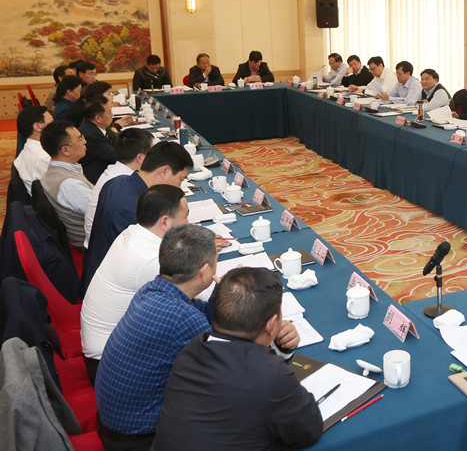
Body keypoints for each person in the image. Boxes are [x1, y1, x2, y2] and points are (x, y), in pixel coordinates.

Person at [94, 225, 300, 450]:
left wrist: (226, 297)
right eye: (216, 260)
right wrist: (278, 347)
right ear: (203, 272)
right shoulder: (182, 319)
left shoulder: (152, 290)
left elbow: (203, 315)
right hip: (139, 439)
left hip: (115, 421)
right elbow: (245, 374)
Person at [155, 268, 322, 450]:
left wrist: (281, 350)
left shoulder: (194, 347)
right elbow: (308, 429)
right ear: (271, 324)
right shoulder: (269, 374)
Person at [81, 185, 189, 382]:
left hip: (103, 349)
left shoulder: (132, 233)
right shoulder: (150, 259)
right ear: (165, 222)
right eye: (186, 217)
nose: (188, 224)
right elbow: (191, 297)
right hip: (109, 365)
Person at [84, 141, 193, 290]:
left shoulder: (117, 181)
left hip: (99, 266)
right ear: (165, 171)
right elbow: (160, 254)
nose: (180, 186)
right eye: (181, 179)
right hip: (111, 285)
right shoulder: (135, 207)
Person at [84, 128, 154, 249]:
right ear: (140, 158)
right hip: (106, 250)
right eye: (152, 154)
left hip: (101, 243)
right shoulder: (122, 184)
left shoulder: (115, 171)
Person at [39, 121, 93, 249]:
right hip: (91, 243)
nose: (84, 141)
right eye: (80, 139)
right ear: (66, 150)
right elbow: (104, 212)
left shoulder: (54, 170)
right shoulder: (69, 184)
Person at [13, 105, 52, 195]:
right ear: (38, 126)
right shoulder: (43, 157)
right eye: (52, 123)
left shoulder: (27, 150)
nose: (56, 127)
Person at [77, 98, 116, 184]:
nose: (112, 115)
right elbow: (115, 157)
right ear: (98, 118)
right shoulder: (91, 135)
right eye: (109, 112)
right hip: (96, 179)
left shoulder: (90, 126)